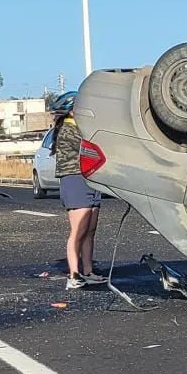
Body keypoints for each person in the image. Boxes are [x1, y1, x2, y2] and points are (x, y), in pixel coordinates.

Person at [50, 91, 105, 291]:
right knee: (78, 231)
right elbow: (91, 148)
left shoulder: (82, 128)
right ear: (71, 111)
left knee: (90, 230)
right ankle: (74, 274)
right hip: (74, 179)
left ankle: (88, 271)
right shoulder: (68, 130)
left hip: (90, 179)